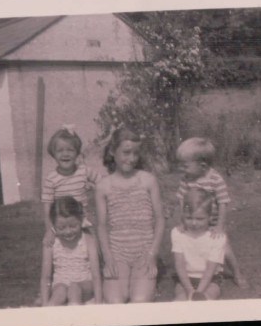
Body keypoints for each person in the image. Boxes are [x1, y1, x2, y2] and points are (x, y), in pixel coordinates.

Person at [95, 127, 165, 303]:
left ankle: (145, 285)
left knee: (139, 300)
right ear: (113, 151)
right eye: (126, 152)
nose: (132, 158)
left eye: (136, 153)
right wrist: (108, 257)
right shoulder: (104, 186)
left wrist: (152, 254)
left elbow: (160, 220)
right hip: (118, 253)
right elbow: (102, 226)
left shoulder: (148, 180)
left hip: (144, 252)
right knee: (116, 300)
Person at [175, 137, 248, 288]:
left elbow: (222, 202)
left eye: (185, 166)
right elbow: (182, 200)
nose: (182, 169)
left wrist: (220, 226)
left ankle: (237, 273)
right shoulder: (186, 179)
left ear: (202, 165)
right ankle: (199, 272)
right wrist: (183, 221)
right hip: (194, 220)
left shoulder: (215, 179)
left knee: (225, 249)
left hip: (213, 223)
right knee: (195, 246)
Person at [42, 126, 101, 244]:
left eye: (70, 150)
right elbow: (47, 207)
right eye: (60, 150)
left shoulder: (84, 171)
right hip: (62, 224)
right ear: (53, 154)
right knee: (64, 253)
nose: (65, 154)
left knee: (92, 247)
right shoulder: (51, 179)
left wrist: (97, 189)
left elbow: (102, 182)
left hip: (83, 221)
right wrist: (49, 230)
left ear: (77, 153)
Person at [40, 196, 102, 306]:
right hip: (61, 283)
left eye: (73, 226)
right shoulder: (51, 243)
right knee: (60, 292)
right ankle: (49, 316)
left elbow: (96, 275)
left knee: (74, 289)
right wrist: (45, 304)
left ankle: (76, 317)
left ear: (81, 220)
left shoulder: (88, 239)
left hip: (85, 283)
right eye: (61, 228)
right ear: (53, 225)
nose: (68, 231)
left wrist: (98, 302)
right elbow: (46, 277)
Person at [172, 187, 226, 301]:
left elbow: (210, 269)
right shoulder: (177, 233)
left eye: (200, 218)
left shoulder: (217, 238)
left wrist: (199, 293)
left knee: (206, 298)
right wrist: (190, 290)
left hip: (211, 279)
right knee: (179, 300)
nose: (194, 223)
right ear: (183, 216)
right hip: (185, 279)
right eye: (189, 218)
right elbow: (180, 265)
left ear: (210, 217)